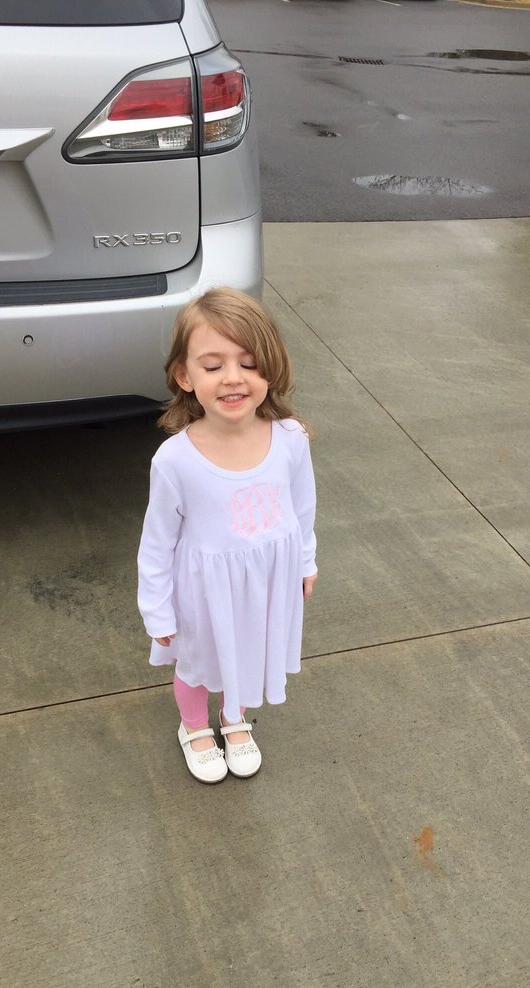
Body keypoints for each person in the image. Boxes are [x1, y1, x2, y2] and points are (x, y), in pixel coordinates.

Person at [137, 287, 317, 784]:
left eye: (249, 363)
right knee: (197, 662)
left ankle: (234, 718)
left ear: (270, 369)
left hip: (264, 583)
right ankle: (195, 727)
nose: (233, 377)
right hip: (203, 590)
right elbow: (157, 543)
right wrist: (157, 608)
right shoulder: (176, 460)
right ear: (184, 376)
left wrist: (306, 560)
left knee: (247, 651)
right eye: (213, 365)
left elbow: (302, 506)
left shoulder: (290, 439)